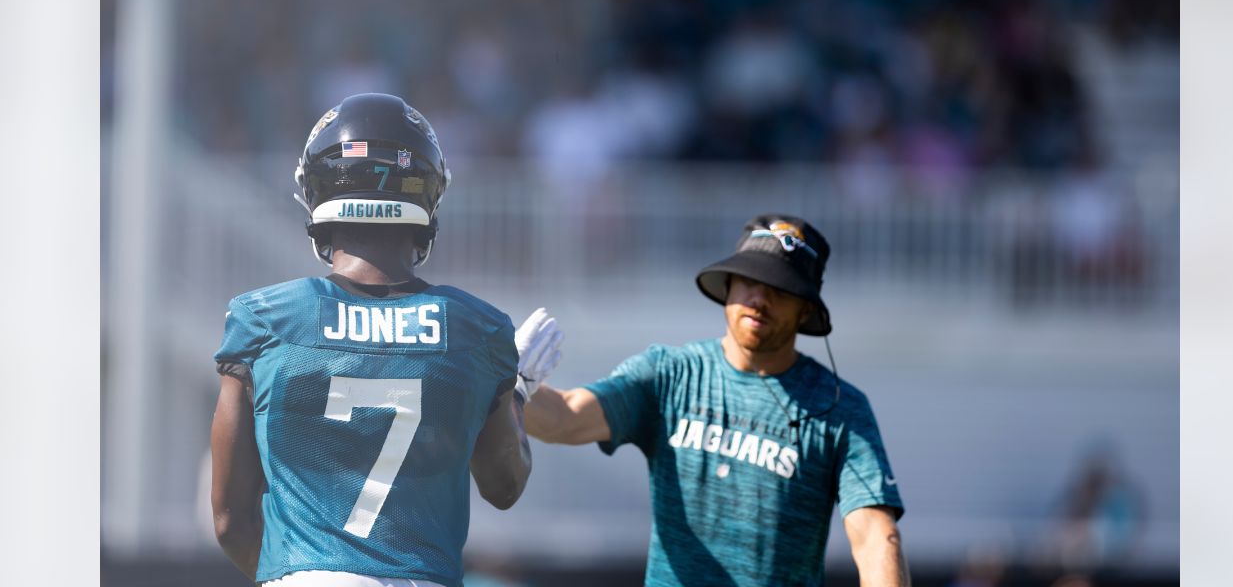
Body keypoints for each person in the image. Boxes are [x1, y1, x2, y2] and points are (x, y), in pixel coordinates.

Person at [209, 93, 563, 587]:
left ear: (316, 189)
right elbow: (504, 486)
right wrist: (517, 388)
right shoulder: (476, 329)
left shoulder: (264, 319)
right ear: (428, 193)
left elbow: (230, 520)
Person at [522, 214, 909, 586]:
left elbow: (875, 536)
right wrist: (509, 380)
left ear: (806, 307)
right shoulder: (669, 374)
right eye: (749, 280)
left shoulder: (840, 408)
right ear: (728, 287)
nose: (760, 298)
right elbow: (565, 418)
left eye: (780, 288)